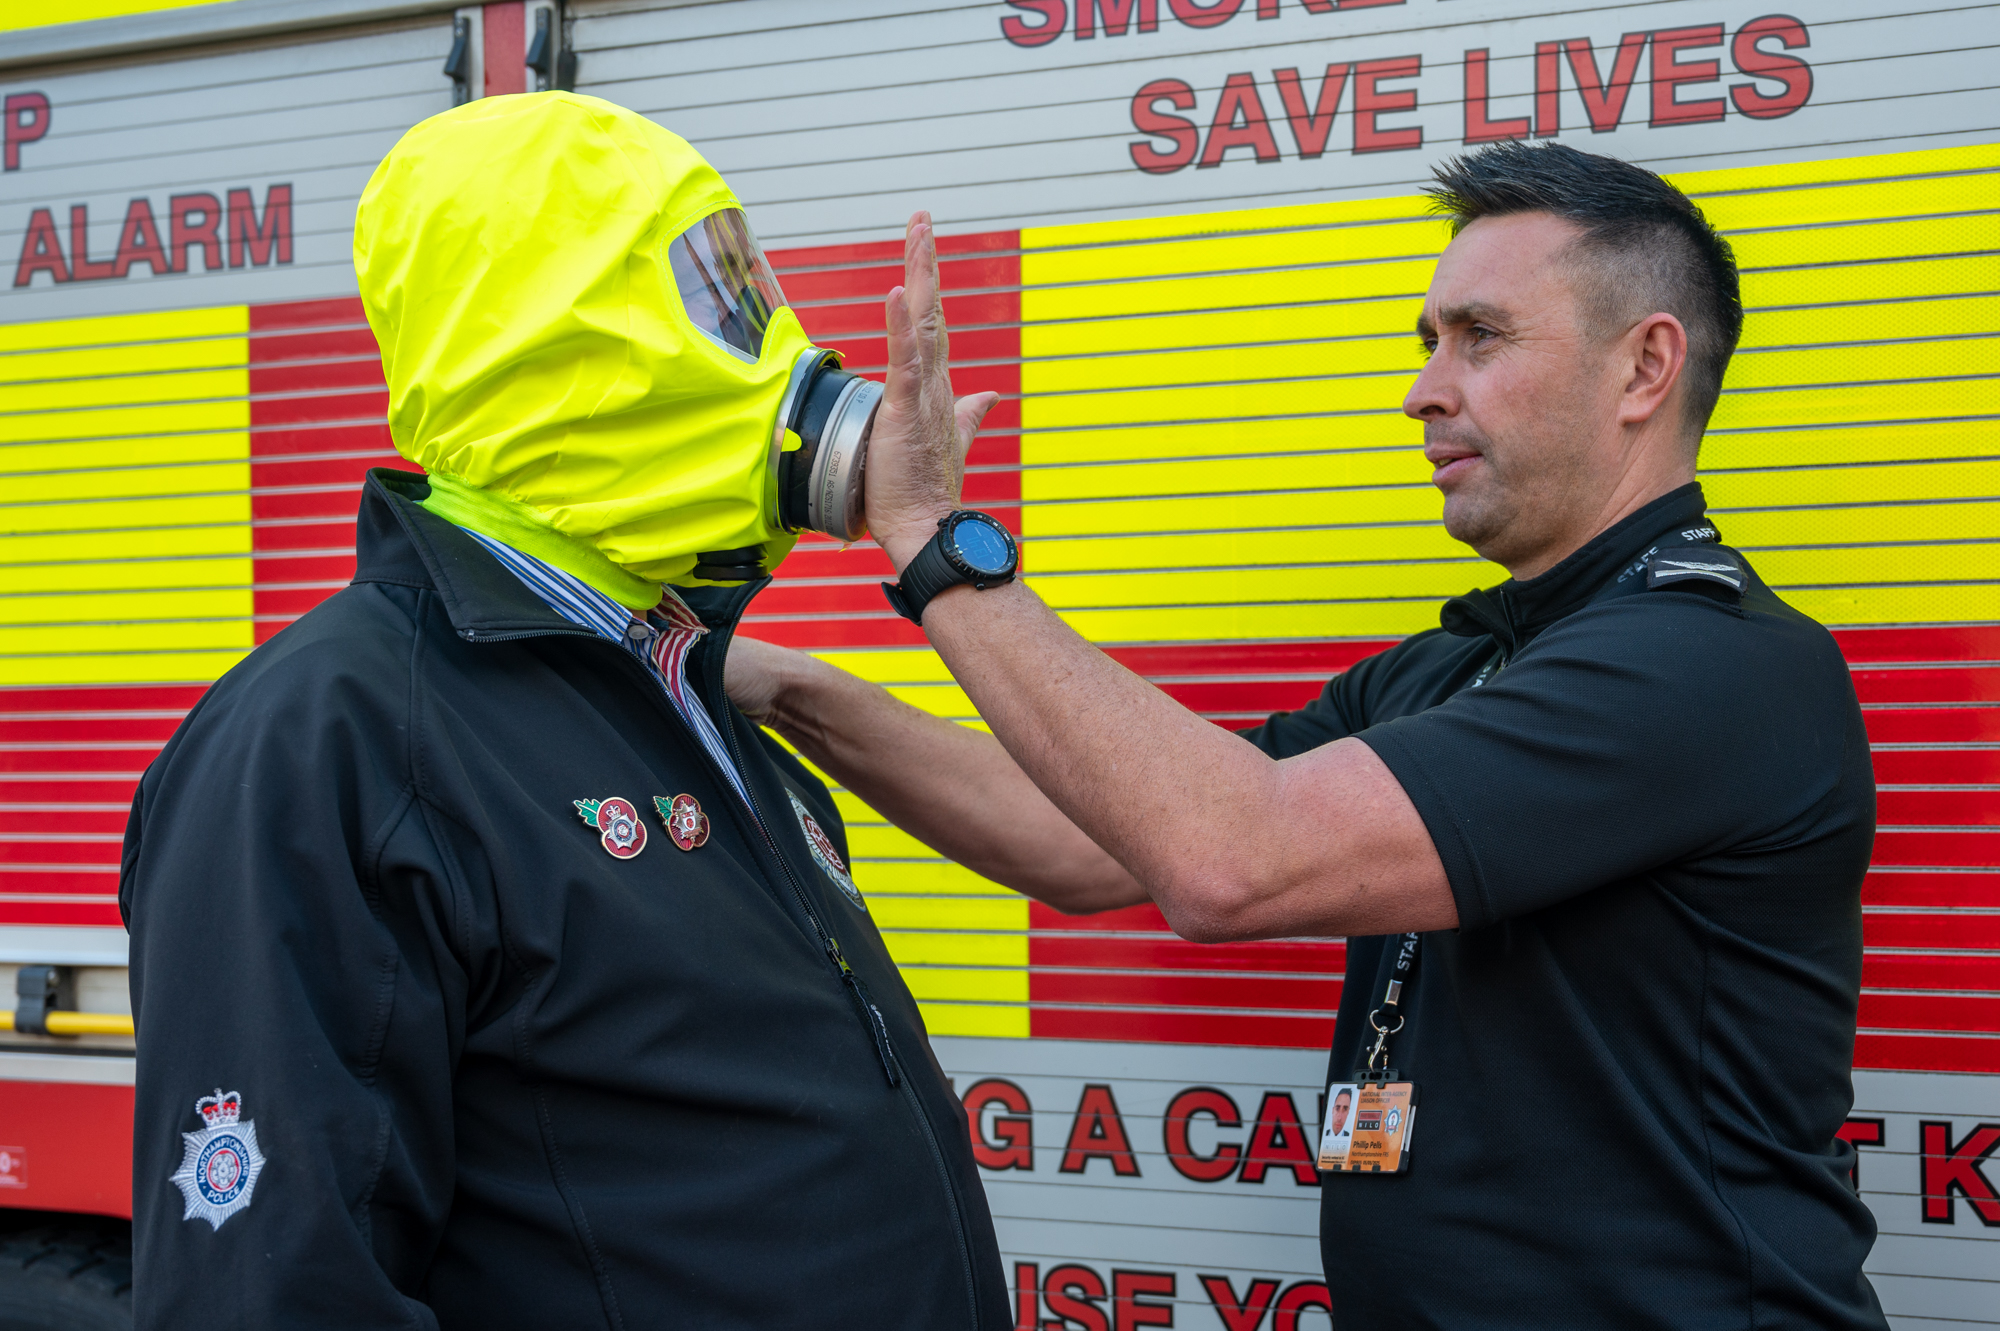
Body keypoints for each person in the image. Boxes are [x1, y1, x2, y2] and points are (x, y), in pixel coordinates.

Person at [728, 142, 1885, 1327]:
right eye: (1426, 340)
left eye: (1479, 337)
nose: (1423, 390)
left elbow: (1229, 859)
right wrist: (778, 684)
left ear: (1644, 365)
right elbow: (1078, 842)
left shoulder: (1709, 666)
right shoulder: (1456, 666)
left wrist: (929, 535)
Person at [120, 93, 1011, 1329]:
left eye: (745, 284)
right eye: (709, 296)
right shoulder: (327, 737)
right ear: (561, 347)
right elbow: (272, 1293)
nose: (771, 341)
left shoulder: (682, 686)